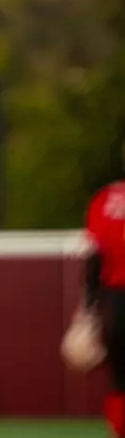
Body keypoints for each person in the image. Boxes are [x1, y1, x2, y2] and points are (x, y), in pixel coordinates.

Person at [84, 151, 125, 437]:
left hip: (115, 302)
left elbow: (93, 259)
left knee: (121, 380)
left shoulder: (105, 199)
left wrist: (87, 311)